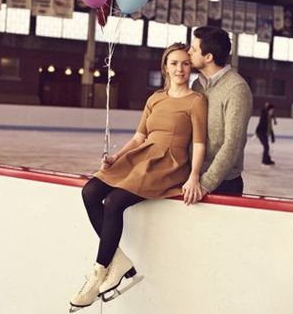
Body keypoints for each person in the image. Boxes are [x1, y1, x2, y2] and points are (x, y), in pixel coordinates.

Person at [70, 43, 207, 311]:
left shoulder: (196, 101)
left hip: (168, 162)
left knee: (114, 202)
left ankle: (99, 271)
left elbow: (199, 144)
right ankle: (118, 260)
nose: (180, 69)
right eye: (174, 63)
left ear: (190, 68)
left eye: (185, 63)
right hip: (143, 154)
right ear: (165, 67)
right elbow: (138, 137)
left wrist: (194, 177)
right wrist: (116, 159)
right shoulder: (155, 98)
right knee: (90, 192)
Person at [187, 26, 253, 197]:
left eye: (193, 49)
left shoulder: (236, 88)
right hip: (194, 178)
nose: (188, 52)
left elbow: (233, 144)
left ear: (208, 57)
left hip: (223, 184)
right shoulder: (197, 85)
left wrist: (206, 184)